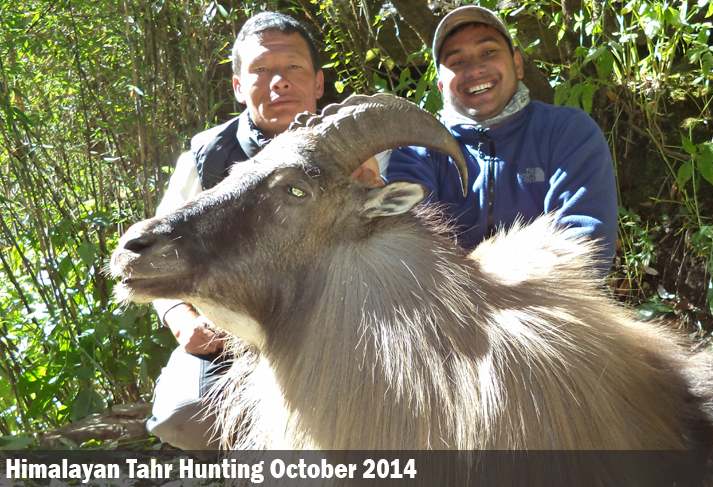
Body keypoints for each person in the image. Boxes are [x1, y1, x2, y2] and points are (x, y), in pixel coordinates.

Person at [147, 11, 382, 451]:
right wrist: (184, 323)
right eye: (261, 70)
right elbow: (154, 255)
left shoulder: (367, 145)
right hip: (236, 337)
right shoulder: (205, 158)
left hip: (344, 325)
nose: (280, 82)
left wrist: (369, 188)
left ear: (318, 83)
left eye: (294, 67)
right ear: (238, 86)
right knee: (184, 418)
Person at [385, 5, 618, 271]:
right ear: (441, 86)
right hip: (446, 311)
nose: (475, 69)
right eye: (457, 62)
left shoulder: (569, 132)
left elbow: (585, 252)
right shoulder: (418, 150)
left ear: (517, 65)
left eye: (488, 52)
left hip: (548, 308)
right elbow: (409, 253)